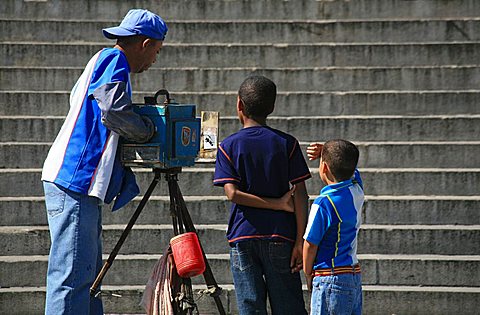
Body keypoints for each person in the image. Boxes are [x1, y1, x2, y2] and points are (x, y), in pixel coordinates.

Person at [41, 9, 168, 315]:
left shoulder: (100, 59)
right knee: (71, 280)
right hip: (75, 179)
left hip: (75, 181)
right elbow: (113, 112)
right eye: (156, 52)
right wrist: (149, 130)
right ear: (145, 43)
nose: (154, 61)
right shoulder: (115, 61)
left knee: (86, 277)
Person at [213, 75, 311, 314]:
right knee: (288, 305)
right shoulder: (287, 143)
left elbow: (232, 194)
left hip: (243, 237)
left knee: (250, 306)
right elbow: (301, 195)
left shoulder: (228, 146)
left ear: (239, 105)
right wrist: (300, 241)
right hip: (282, 236)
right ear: (272, 107)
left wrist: (276, 204)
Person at [303, 139, 364, 315]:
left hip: (329, 277)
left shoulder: (324, 203)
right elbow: (353, 171)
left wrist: (308, 274)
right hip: (353, 275)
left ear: (324, 168)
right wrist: (329, 152)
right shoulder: (356, 190)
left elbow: (310, 243)